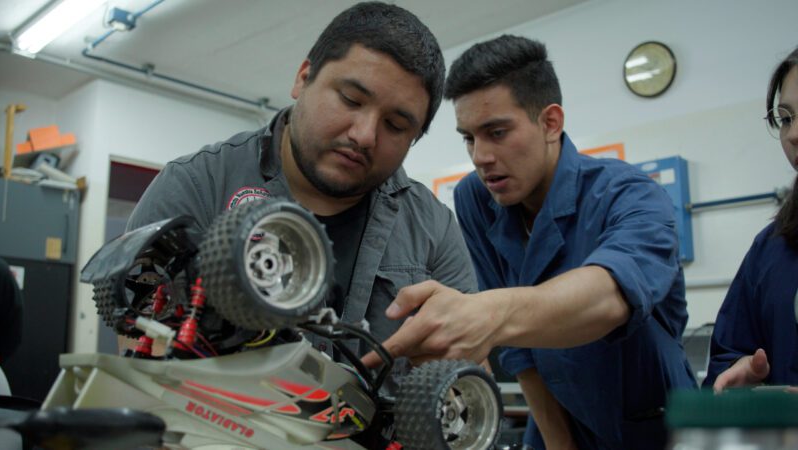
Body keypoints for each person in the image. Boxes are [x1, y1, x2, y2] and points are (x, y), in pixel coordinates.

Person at [363, 35, 696, 449]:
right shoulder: (475, 200)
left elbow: (609, 296)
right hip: (556, 416)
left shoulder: (633, 195)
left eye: (497, 132)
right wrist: (559, 443)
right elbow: (520, 352)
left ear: (550, 122)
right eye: (469, 137)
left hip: (654, 425)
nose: (481, 156)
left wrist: (488, 314)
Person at [127, 2, 476, 386]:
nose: (364, 135)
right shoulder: (196, 188)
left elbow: (463, 381)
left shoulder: (435, 230)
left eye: (395, 125)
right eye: (350, 100)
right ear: (303, 77)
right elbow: (139, 347)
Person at [704, 46, 798, 392]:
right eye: (786, 117)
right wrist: (738, 375)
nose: (792, 135)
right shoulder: (771, 248)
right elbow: (729, 353)